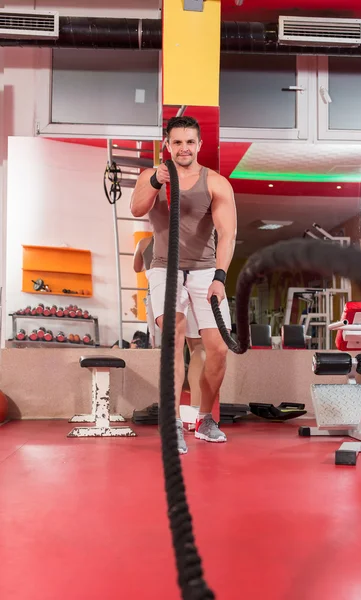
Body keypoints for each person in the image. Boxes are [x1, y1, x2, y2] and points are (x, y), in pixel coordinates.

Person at [130, 115, 237, 454]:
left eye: (190, 142)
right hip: (165, 268)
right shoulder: (151, 176)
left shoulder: (216, 182)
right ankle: (173, 423)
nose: (184, 148)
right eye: (177, 142)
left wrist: (220, 277)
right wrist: (158, 183)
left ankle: (205, 418)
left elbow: (228, 233)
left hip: (206, 270)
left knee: (217, 349)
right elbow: (136, 209)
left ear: (199, 145)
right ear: (167, 145)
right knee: (173, 340)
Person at [133, 234, 206, 408]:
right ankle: (196, 409)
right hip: (190, 289)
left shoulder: (144, 243)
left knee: (173, 349)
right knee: (198, 347)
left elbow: (137, 268)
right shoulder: (191, 239)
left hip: (161, 292)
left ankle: (173, 415)